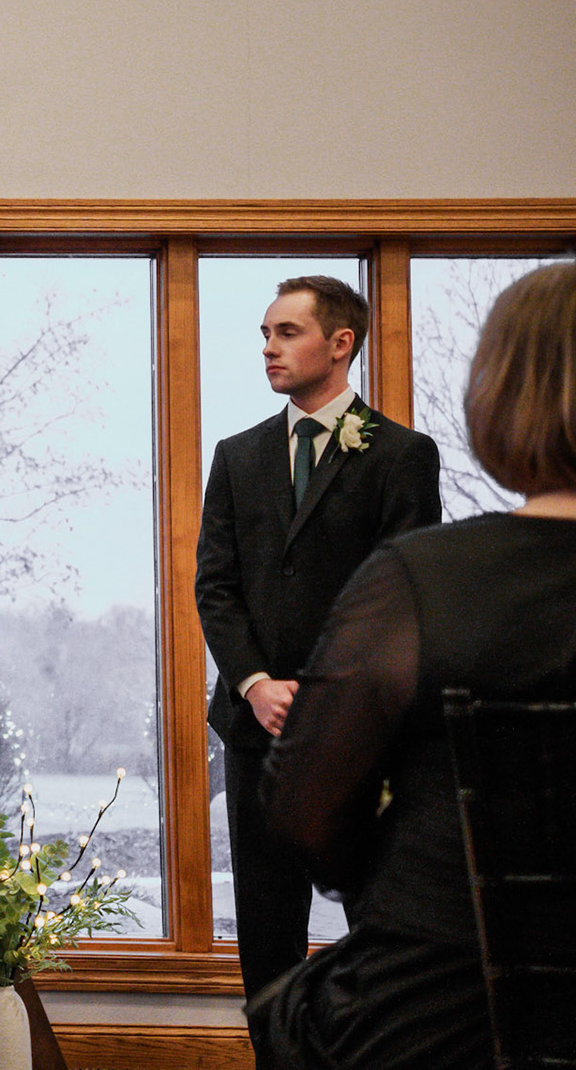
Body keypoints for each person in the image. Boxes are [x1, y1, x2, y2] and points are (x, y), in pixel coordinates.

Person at [253, 259, 576, 1067]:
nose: (268, 347)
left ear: (502, 395)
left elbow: (303, 809)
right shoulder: (251, 462)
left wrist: (405, 881)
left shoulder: (419, 583)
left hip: (443, 1012)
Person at [193, 276, 441, 1068]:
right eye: (265, 333)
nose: (269, 347)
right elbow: (215, 586)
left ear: (341, 343)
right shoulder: (237, 456)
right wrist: (256, 685)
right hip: (256, 728)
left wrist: (332, 696)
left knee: (378, 922)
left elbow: (400, 593)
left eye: (287, 332)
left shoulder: (401, 455)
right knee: (266, 931)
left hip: (363, 732)